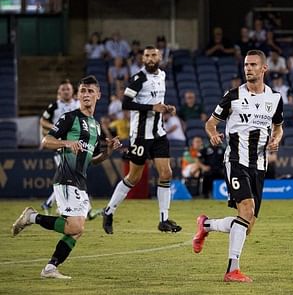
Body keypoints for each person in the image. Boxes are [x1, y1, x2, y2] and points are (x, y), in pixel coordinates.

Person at [12, 75, 121, 279]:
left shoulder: (96, 126)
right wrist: (66, 143)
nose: (86, 94)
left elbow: (93, 160)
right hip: (65, 177)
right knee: (75, 226)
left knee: (77, 231)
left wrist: (108, 151)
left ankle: (50, 267)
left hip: (80, 180)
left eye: (90, 91)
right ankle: (32, 217)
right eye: (82, 91)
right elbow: (46, 140)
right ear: (78, 95)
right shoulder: (70, 117)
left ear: (98, 94)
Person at [192, 49, 284, 283]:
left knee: (247, 224)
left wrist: (276, 139)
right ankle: (232, 270)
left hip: (259, 165)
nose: (248, 68)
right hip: (236, 161)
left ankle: (206, 225)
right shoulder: (232, 96)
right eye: (246, 65)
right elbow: (211, 123)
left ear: (264, 68)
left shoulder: (275, 98)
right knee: (246, 212)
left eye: (253, 65)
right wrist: (212, 135)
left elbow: (278, 127)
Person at [102, 46, 182, 234]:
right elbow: (126, 103)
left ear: (160, 57)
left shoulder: (162, 75)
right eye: (147, 55)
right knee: (134, 177)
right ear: (143, 59)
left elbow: (157, 102)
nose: (150, 58)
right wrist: (152, 108)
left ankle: (163, 220)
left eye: (154, 55)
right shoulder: (138, 78)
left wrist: (166, 108)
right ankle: (109, 210)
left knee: (166, 173)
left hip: (159, 134)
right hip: (140, 136)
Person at [39, 80, 80, 214]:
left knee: (69, 176)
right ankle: (65, 205)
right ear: (59, 92)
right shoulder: (54, 106)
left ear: (72, 91)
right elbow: (42, 120)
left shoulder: (78, 104)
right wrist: (55, 127)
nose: (66, 91)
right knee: (68, 176)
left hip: (76, 144)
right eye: (63, 89)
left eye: (68, 89)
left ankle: (49, 203)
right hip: (61, 146)